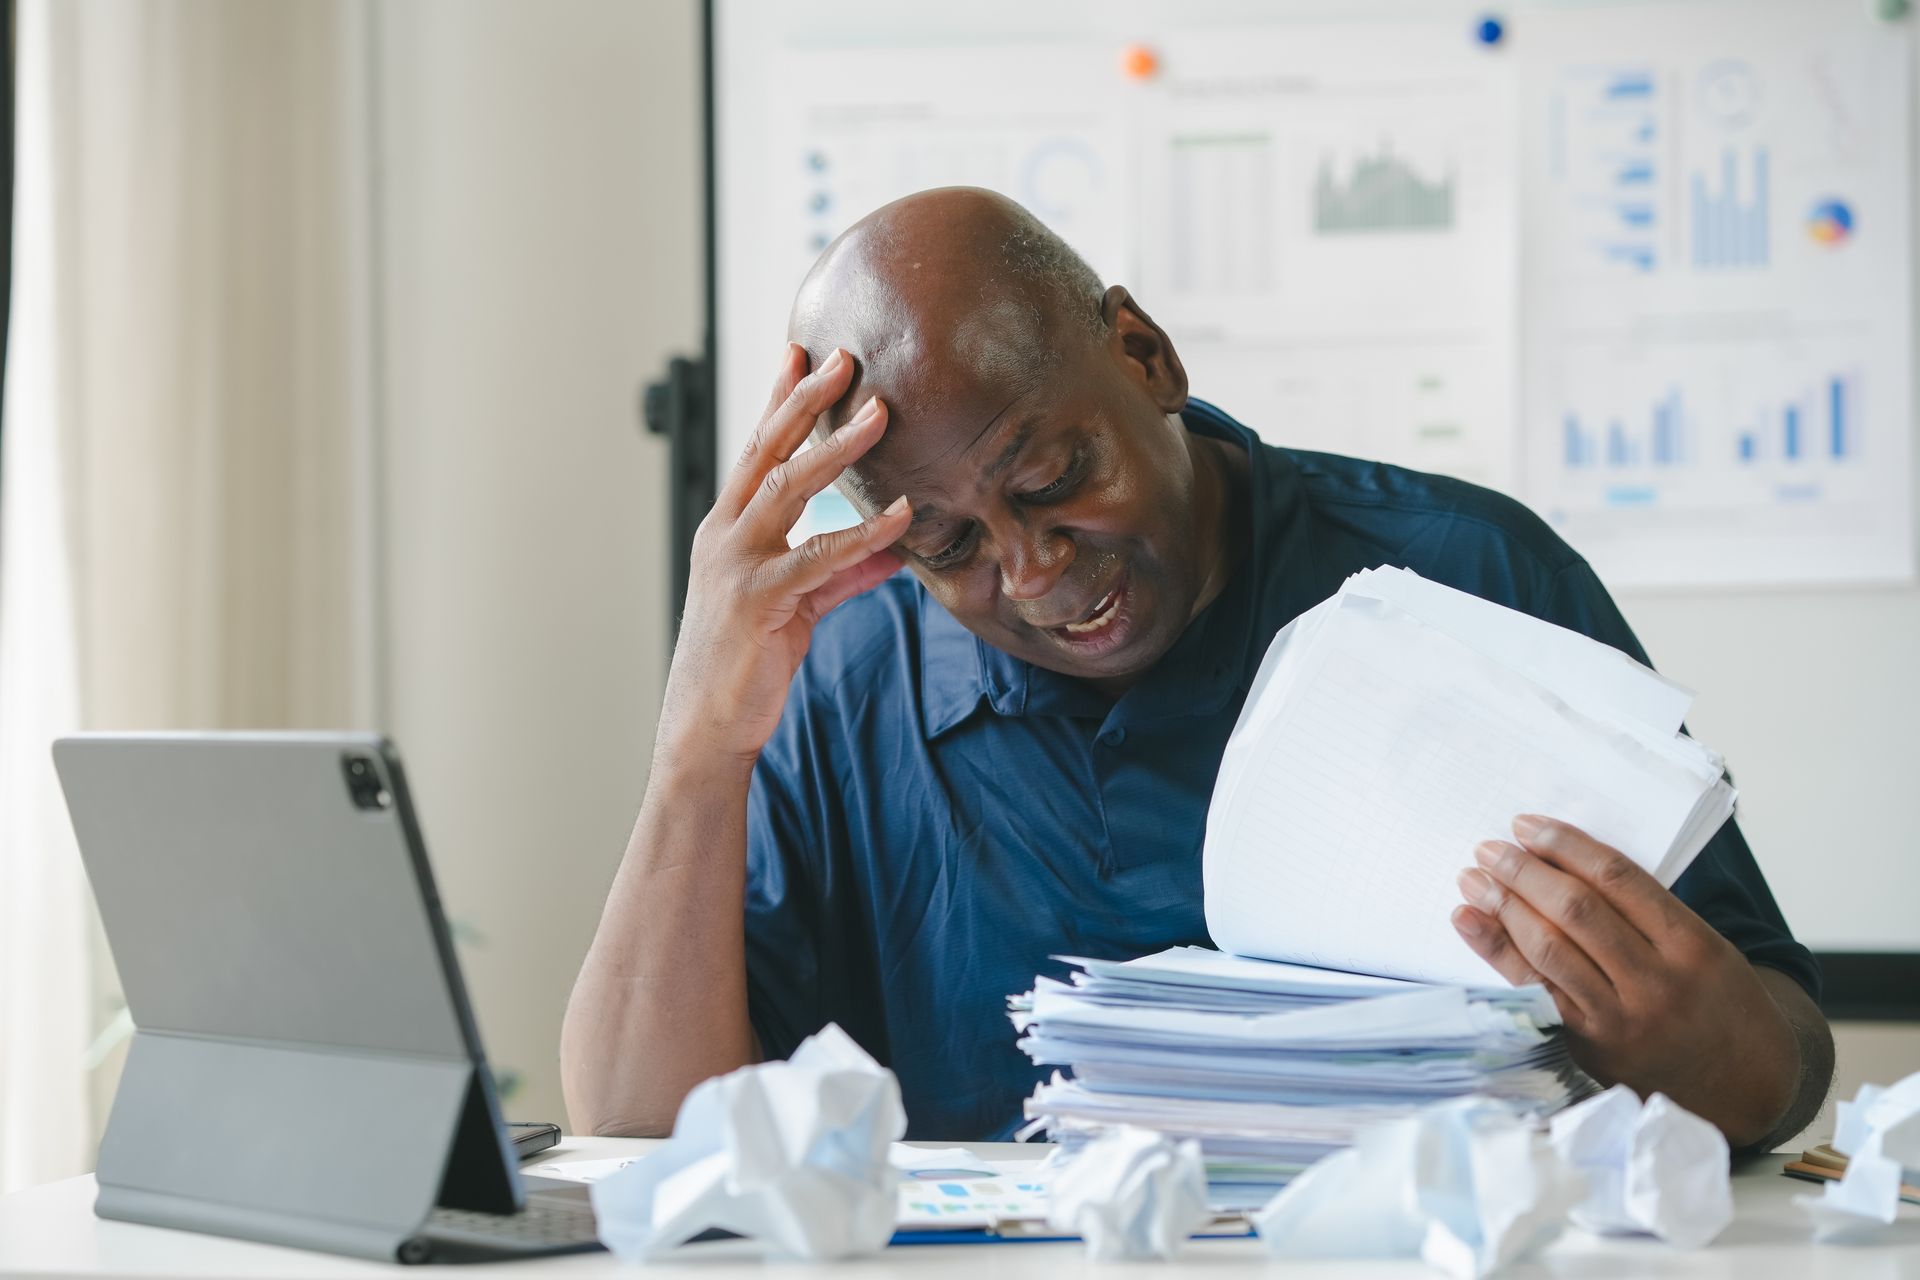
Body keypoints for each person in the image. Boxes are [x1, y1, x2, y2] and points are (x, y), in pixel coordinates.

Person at [561, 187, 1832, 1150]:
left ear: (1146, 355)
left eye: (1054, 478)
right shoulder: (850, 676)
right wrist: (695, 754)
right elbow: (633, 1136)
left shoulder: (1466, 577)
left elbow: (1780, 1062)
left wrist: (1684, 1034)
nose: (1035, 570)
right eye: (947, 543)